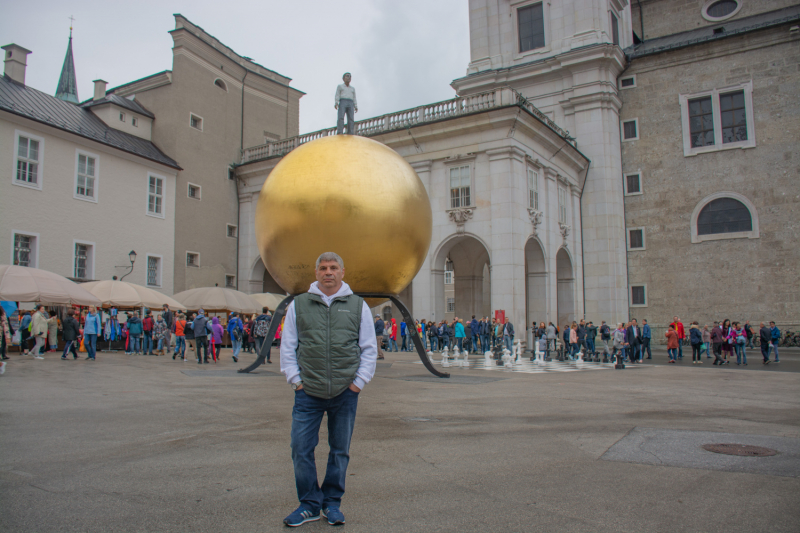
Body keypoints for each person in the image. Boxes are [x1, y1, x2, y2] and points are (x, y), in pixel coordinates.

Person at [280, 252, 376, 527]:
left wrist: (358, 383)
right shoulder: (299, 304)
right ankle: (309, 504)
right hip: (308, 390)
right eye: (323, 268)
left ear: (343, 272)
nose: (328, 272)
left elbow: (369, 348)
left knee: (340, 450)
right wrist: (296, 381)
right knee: (300, 447)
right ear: (316, 272)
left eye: (333, 268)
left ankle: (331, 503)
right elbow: (288, 347)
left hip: (345, 392)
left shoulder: (358, 306)